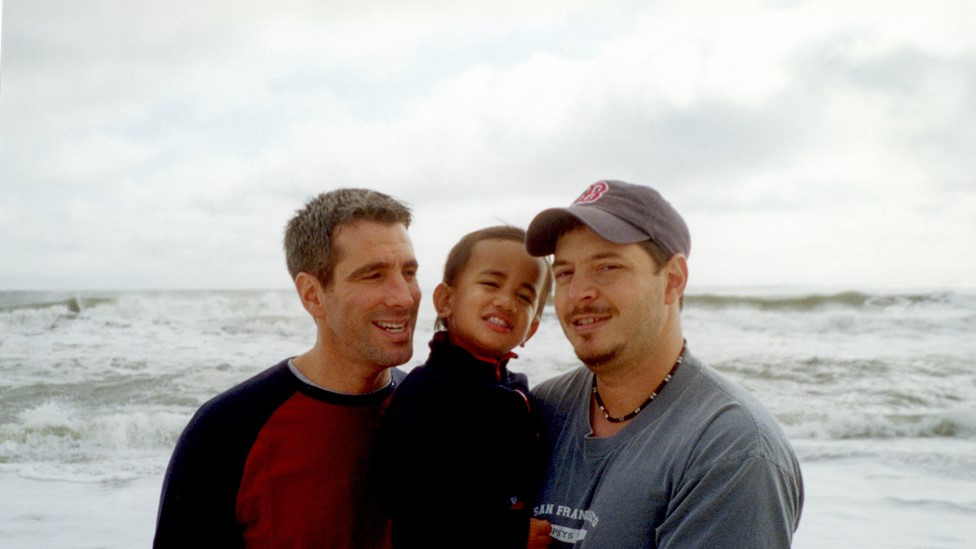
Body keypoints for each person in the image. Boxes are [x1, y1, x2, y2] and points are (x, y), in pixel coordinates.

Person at [524, 180, 803, 548]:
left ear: (673, 280)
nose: (578, 294)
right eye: (564, 273)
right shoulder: (541, 410)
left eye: (607, 267)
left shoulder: (730, 450)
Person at [153, 188, 421, 549]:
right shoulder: (228, 430)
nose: (404, 296)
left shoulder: (429, 413)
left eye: (409, 272)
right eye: (373, 275)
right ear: (312, 294)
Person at [378, 225, 553, 549]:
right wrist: (507, 536)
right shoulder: (425, 395)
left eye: (524, 296)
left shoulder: (517, 389)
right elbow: (411, 510)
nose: (506, 301)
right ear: (446, 300)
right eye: (491, 283)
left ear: (531, 330)